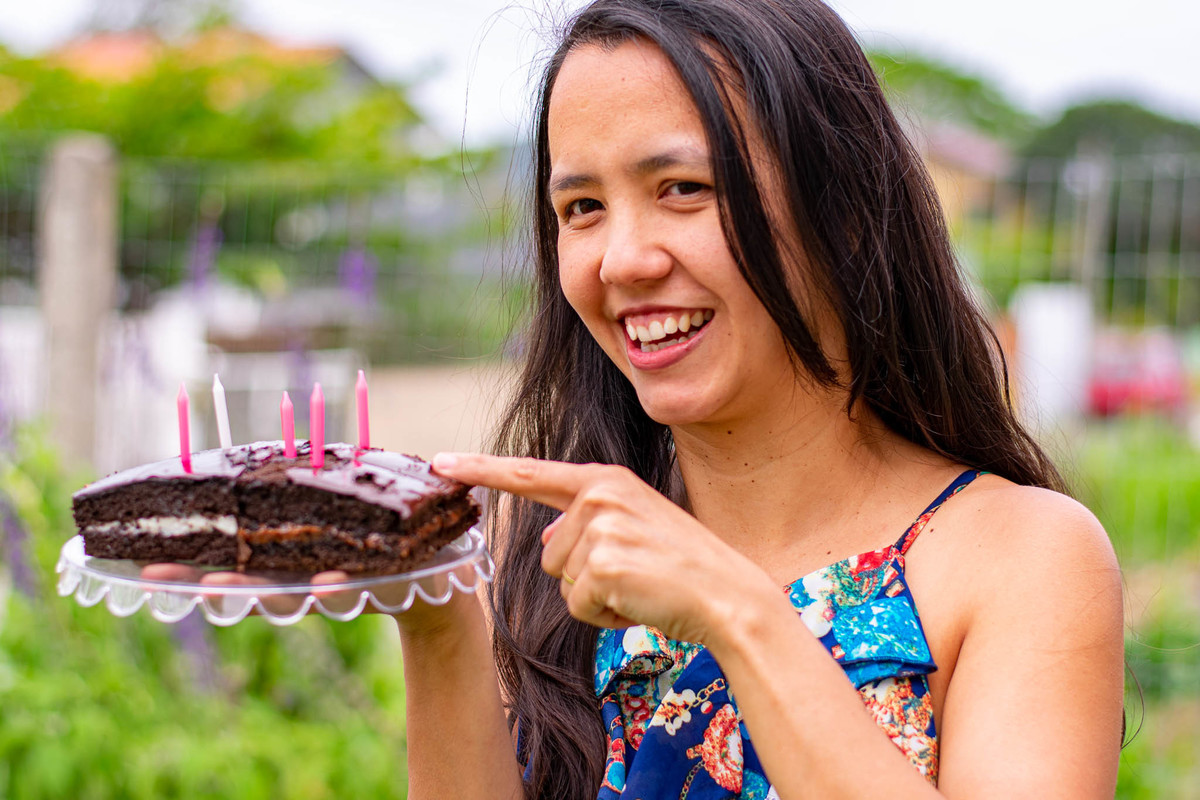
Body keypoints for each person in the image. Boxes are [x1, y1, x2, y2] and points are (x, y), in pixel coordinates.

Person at [402, 1, 1126, 798]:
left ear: (844, 211)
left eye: (683, 187)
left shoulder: (1023, 559)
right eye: (583, 208)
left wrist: (732, 608)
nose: (622, 260)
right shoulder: (550, 549)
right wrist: (438, 618)